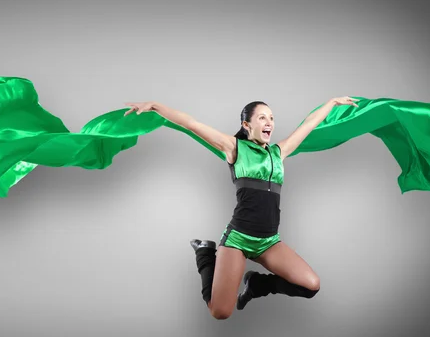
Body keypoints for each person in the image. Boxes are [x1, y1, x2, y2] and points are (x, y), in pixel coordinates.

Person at [124, 96, 359, 320]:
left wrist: (331, 103)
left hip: (269, 242)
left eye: (272, 118)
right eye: (263, 118)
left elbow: (309, 124)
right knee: (220, 311)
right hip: (239, 239)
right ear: (247, 125)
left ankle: (257, 284)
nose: (269, 123)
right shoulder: (234, 148)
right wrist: (155, 105)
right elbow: (192, 124)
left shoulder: (279, 152)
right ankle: (205, 254)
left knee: (311, 285)